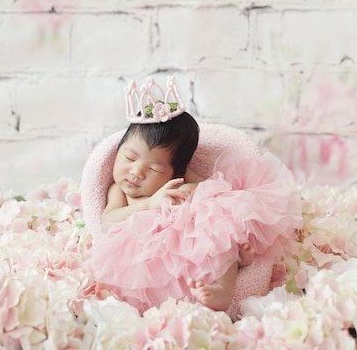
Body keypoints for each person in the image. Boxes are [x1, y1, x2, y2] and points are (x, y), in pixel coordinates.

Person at [85, 76, 301, 314]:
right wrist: (149, 204)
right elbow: (109, 220)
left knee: (216, 224)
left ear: (174, 171)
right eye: (129, 158)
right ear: (118, 150)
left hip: (188, 241)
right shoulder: (119, 190)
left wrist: (192, 192)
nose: (136, 172)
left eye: (154, 168)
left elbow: (213, 188)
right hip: (149, 254)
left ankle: (224, 283)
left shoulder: (178, 179)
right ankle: (222, 269)